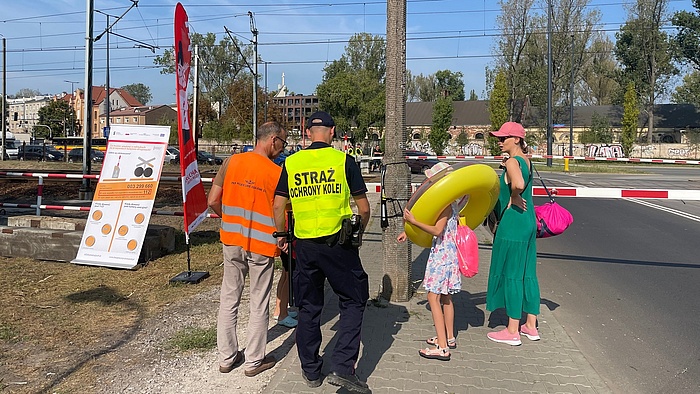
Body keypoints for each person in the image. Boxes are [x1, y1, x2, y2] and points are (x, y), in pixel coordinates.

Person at [272, 111, 371, 393]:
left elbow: (278, 206)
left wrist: (282, 236)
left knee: (308, 306)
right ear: (332, 132)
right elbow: (363, 208)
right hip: (338, 244)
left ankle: (311, 370)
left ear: (307, 133)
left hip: (304, 246)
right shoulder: (343, 161)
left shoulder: (291, 162)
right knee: (353, 299)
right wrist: (358, 233)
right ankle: (342, 368)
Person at [207, 121, 288, 376]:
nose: (282, 148)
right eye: (283, 143)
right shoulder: (276, 173)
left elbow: (212, 200)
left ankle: (227, 358)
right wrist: (281, 236)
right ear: (273, 140)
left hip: (232, 240)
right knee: (258, 301)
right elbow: (279, 210)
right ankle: (254, 361)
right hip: (262, 244)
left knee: (229, 298)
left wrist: (229, 219)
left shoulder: (232, 162)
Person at [397, 162, 461, 361]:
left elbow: (437, 230)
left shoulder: (444, 207)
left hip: (442, 256)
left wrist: (413, 222)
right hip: (449, 255)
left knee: (433, 298)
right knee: (446, 297)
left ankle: (442, 347)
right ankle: (448, 337)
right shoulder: (453, 202)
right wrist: (409, 233)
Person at [485, 121, 539, 346]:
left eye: (503, 138)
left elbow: (517, 183)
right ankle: (531, 325)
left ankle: (512, 330)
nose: (499, 142)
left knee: (511, 274)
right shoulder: (526, 160)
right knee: (528, 272)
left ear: (516, 139)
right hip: (528, 221)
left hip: (513, 222)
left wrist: (514, 195)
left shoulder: (512, 162)